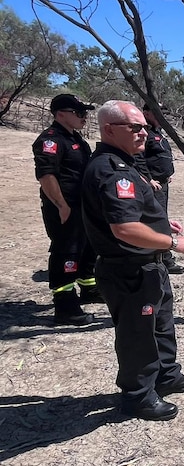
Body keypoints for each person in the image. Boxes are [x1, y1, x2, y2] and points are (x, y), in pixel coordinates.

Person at [81, 100, 184, 422]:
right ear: (109, 129)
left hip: (149, 267)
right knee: (137, 335)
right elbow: (124, 229)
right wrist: (174, 242)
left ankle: (166, 375)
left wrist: (162, 225)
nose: (143, 133)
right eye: (134, 127)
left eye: (144, 127)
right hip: (128, 270)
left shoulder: (126, 162)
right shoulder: (110, 169)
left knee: (161, 325)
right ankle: (138, 396)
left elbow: (136, 214)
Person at [32, 93, 101, 326]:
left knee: (87, 248)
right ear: (61, 114)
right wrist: (61, 205)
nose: (84, 117)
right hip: (65, 207)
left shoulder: (77, 138)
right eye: (79, 113)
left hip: (83, 206)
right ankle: (65, 305)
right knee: (67, 252)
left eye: (85, 113)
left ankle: (89, 289)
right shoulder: (50, 140)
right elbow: (46, 175)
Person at [134, 102, 184, 274]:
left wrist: (166, 174)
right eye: (158, 113)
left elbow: (161, 156)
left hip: (162, 183)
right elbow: (138, 159)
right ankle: (165, 259)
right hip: (153, 186)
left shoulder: (158, 133)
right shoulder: (143, 133)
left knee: (162, 218)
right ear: (147, 113)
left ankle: (162, 257)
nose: (162, 116)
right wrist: (148, 179)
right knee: (158, 220)